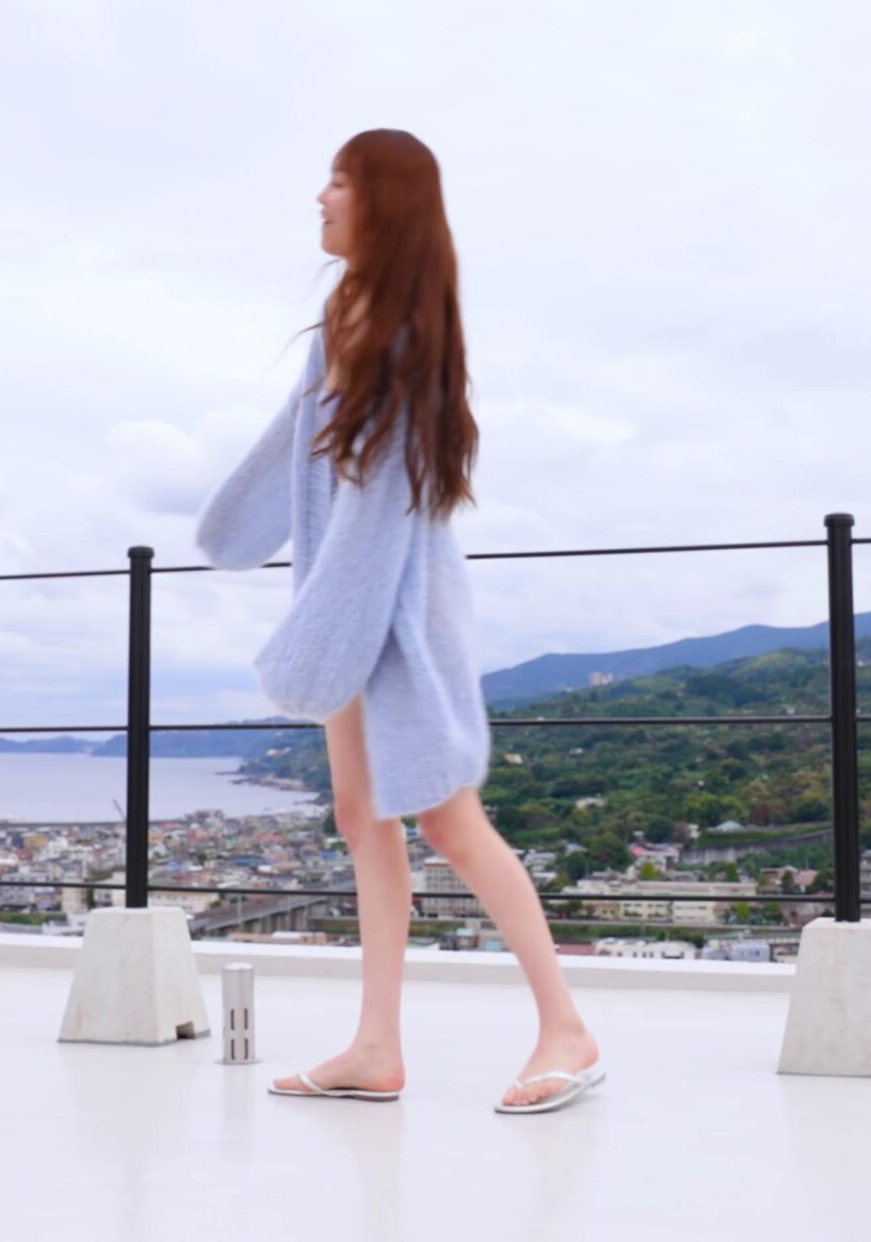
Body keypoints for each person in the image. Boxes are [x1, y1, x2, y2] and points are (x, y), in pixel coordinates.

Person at [191, 128, 605, 1115]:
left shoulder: (403, 335)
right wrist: (232, 531)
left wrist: (316, 641)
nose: (320, 198)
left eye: (339, 182)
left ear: (383, 202)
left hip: (398, 609)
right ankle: (375, 1047)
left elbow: (382, 511)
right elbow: (295, 449)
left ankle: (567, 1029)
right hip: (343, 598)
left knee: (449, 821)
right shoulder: (347, 315)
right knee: (358, 817)